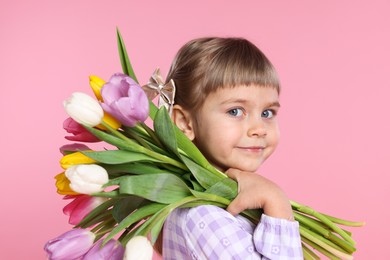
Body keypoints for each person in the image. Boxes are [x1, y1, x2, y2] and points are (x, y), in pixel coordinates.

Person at [161, 37, 303, 259]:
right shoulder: (203, 215)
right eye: (235, 111)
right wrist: (277, 204)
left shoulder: (227, 202)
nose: (259, 129)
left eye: (267, 113)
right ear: (185, 123)